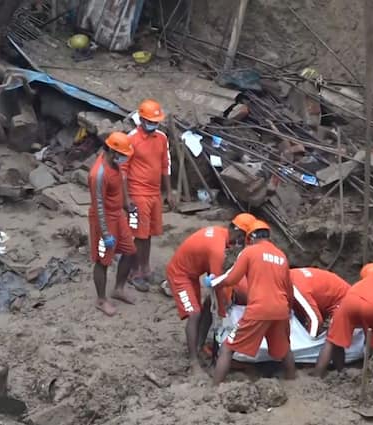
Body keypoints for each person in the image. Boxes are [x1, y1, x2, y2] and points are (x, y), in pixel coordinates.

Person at [205, 220, 296, 385]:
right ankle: (292, 381)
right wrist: (288, 309)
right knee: (284, 348)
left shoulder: (250, 252)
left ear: (251, 237)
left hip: (259, 309)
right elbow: (289, 288)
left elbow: (232, 277)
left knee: (227, 347)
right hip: (281, 308)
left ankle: (215, 387)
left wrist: (214, 283)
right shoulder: (281, 256)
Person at [165, 213, 256, 372]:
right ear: (239, 233)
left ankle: (198, 345)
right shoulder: (217, 249)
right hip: (180, 274)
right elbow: (217, 284)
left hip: (193, 271)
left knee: (207, 304)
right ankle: (193, 361)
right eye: (243, 239)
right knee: (194, 314)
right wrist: (222, 310)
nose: (241, 243)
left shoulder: (221, 234)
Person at [122, 99, 175, 292]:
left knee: (149, 233)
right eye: (151, 121)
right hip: (137, 193)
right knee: (138, 234)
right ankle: (134, 272)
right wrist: (126, 198)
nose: (154, 125)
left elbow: (165, 164)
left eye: (156, 122)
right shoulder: (132, 139)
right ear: (142, 119)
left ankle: (145, 268)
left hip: (154, 193)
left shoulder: (161, 138)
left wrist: (168, 192)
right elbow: (123, 170)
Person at [88, 132, 137, 317]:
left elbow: (120, 184)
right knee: (103, 261)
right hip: (104, 219)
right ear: (112, 151)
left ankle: (119, 288)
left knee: (130, 251)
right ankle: (101, 299)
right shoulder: (98, 175)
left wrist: (126, 203)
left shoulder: (115, 165)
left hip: (117, 215)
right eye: (122, 154)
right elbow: (98, 204)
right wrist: (105, 233)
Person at [290, 267, 351, 337]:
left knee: (334, 339)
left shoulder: (296, 288)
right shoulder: (289, 276)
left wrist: (310, 342)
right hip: (328, 297)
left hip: (345, 301)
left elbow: (315, 320)